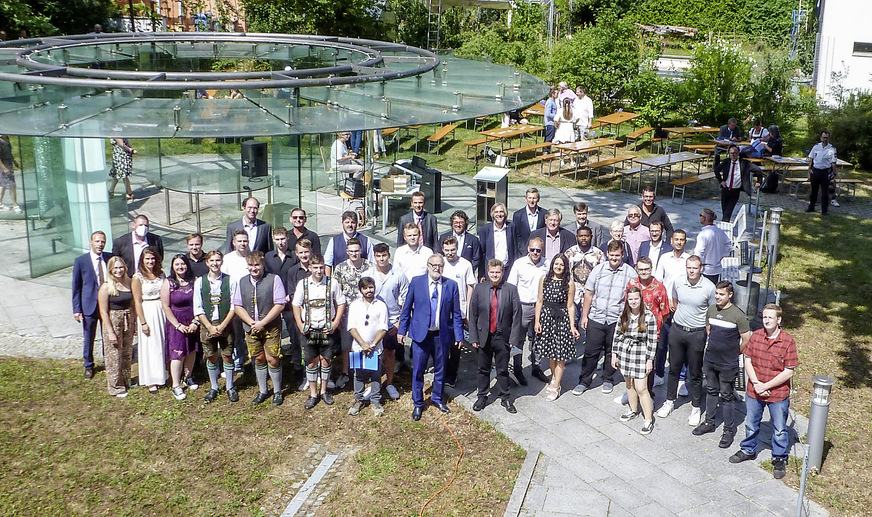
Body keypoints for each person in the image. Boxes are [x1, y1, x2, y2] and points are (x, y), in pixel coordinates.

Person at [729, 304, 797, 480]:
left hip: (778, 394)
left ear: (779, 320)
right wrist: (756, 383)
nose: (766, 320)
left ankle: (779, 458)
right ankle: (748, 449)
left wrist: (766, 386)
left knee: (780, 429)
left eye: (770, 317)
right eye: (764, 317)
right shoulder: (756, 336)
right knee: (751, 423)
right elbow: (747, 359)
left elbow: (789, 371)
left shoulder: (788, 341)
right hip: (754, 390)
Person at [398, 254, 464, 421]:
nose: (437, 268)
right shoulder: (416, 282)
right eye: (433, 265)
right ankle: (418, 403)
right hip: (421, 335)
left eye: (440, 265)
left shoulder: (451, 285)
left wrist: (459, 335)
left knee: (441, 369)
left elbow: (456, 314)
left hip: (441, 335)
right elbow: (406, 309)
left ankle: (437, 399)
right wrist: (401, 331)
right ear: (428, 266)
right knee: (418, 370)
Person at [656, 256, 715, 426]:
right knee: (673, 369)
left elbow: (711, 310)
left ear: (701, 268)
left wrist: (706, 329)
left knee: (695, 373)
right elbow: (675, 300)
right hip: (678, 330)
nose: (691, 271)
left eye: (695, 268)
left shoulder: (709, 287)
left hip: (696, 333)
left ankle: (696, 407)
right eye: (689, 267)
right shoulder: (679, 282)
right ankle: (669, 401)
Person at [694, 281, 752, 449]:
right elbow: (709, 330)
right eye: (716, 294)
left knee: (726, 395)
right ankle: (709, 422)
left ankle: (728, 430)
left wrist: (736, 352)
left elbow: (746, 338)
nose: (718, 297)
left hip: (728, 363)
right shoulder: (711, 310)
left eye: (721, 294)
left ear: (730, 295)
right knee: (711, 391)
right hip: (711, 359)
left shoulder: (738, 315)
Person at [575, 241, 637, 396]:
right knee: (590, 351)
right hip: (597, 317)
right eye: (612, 255)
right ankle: (584, 381)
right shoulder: (598, 270)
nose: (614, 258)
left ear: (622, 254)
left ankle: (608, 378)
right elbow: (589, 293)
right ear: (607, 254)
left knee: (611, 351)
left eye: (617, 255)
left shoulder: (630, 273)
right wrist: (584, 316)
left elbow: (634, 298)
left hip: (616, 319)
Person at [469, 259, 524, 413]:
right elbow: (472, 314)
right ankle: (482, 396)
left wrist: (513, 338)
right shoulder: (480, 288)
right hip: (483, 336)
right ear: (488, 272)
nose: (495, 275)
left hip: (502, 337)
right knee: (483, 369)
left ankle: (505, 398)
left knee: (502, 369)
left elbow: (516, 315)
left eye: (498, 272)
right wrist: (473, 337)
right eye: (492, 272)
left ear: (503, 272)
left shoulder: (511, 289)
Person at [233, 251, 287, 406]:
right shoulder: (242, 281)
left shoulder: (274, 279)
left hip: (270, 326)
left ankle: (277, 391)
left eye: (257, 265)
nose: (254, 268)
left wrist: (263, 322)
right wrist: (251, 322)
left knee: (272, 358)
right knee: (257, 358)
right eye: (251, 265)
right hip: (250, 326)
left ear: (263, 265)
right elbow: (237, 305)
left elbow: (280, 304)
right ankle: (263, 390)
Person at [293, 254, 346, 409]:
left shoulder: (332, 283)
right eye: (315, 267)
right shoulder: (303, 284)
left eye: (321, 267)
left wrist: (335, 323)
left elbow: (341, 302)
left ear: (324, 267)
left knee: (326, 360)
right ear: (309, 268)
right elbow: (296, 305)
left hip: (326, 329)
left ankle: (324, 391)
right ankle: (313, 394)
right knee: (310, 362)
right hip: (309, 329)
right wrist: (300, 323)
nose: (318, 270)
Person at [363, 243, 409, 400]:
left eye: (384, 255)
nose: (381, 258)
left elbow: (406, 300)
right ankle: (372, 384)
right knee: (372, 353)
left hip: (391, 322)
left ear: (389, 255)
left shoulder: (398, 274)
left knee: (389, 353)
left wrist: (399, 322)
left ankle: (389, 383)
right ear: (374, 257)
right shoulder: (368, 273)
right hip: (373, 322)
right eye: (378, 256)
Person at [611, 287, 657, 434]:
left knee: (641, 387)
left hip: (641, 352)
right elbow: (617, 335)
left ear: (641, 299)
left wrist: (650, 359)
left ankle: (648, 419)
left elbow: (652, 341)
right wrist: (614, 354)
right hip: (626, 351)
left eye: (636, 298)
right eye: (630, 299)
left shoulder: (649, 316)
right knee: (629, 384)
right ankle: (633, 409)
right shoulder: (624, 315)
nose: (633, 302)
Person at [193, 250, 238, 403]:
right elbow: (197, 307)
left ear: (222, 262)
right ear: (207, 263)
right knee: (211, 356)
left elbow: (234, 305)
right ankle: (214, 386)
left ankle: (230, 386)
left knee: (227, 355)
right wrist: (209, 327)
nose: (215, 263)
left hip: (226, 323)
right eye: (212, 261)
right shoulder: (200, 282)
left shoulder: (230, 280)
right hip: (208, 324)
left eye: (218, 260)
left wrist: (224, 324)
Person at [535, 255, 580, 401]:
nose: (558, 267)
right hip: (547, 318)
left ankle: (557, 386)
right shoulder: (544, 279)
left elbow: (571, 305)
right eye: (556, 264)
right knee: (550, 353)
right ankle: (554, 377)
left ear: (565, 266)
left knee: (559, 354)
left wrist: (572, 325)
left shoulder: (569, 283)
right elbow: (539, 301)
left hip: (561, 319)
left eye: (561, 264)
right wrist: (537, 321)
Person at [506, 237, 549, 385]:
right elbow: (511, 287)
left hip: (540, 306)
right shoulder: (519, 264)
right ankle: (518, 368)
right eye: (532, 250)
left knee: (539, 337)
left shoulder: (547, 264)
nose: (535, 253)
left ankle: (536, 367)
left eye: (538, 250)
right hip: (523, 306)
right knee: (519, 339)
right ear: (528, 249)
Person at [333, 238, 374, 390]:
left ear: (361, 250)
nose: (354, 253)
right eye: (351, 251)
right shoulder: (340, 268)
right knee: (346, 344)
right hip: (347, 312)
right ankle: (346, 372)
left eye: (356, 250)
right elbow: (336, 293)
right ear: (347, 252)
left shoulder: (369, 266)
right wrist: (337, 314)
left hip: (366, 311)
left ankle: (365, 371)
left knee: (365, 341)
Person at [625, 256, 669, 397]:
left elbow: (665, 312)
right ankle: (631, 392)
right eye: (641, 269)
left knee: (648, 365)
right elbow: (626, 305)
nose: (643, 272)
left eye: (646, 269)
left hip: (651, 333)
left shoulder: (659, 287)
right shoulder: (632, 283)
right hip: (633, 329)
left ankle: (648, 394)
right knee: (631, 360)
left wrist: (657, 327)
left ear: (651, 269)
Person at [72, 231, 112, 379]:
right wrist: (76, 309)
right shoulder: (81, 261)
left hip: (107, 305)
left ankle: (109, 361)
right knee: (89, 336)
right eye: (97, 241)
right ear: (91, 242)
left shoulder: (110, 258)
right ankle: (88, 365)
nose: (100, 244)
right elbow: (76, 287)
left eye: (102, 241)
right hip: (89, 305)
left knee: (107, 335)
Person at [653, 229, 690, 387]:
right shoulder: (664, 258)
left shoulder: (688, 260)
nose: (679, 242)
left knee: (682, 345)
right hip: (665, 305)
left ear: (685, 242)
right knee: (662, 344)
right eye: (676, 239)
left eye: (682, 239)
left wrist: (679, 301)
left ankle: (681, 379)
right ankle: (659, 374)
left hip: (682, 306)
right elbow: (658, 281)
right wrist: (667, 299)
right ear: (671, 240)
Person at [161, 255, 201, 401]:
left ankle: (188, 377)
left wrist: (195, 322)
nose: (180, 267)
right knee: (178, 353)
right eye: (177, 264)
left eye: (182, 264)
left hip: (192, 320)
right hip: (176, 323)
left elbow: (200, 302)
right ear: (172, 267)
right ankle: (176, 385)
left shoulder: (195, 281)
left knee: (191, 350)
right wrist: (177, 325)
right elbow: (165, 306)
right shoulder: (168, 283)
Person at [347, 277, 389, 416]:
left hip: (375, 349)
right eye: (365, 288)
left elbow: (383, 328)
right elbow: (352, 327)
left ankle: (375, 401)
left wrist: (371, 345)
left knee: (376, 375)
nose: (369, 290)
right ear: (361, 290)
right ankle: (358, 400)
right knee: (359, 375)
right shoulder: (354, 305)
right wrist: (363, 344)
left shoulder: (381, 305)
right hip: (359, 347)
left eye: (371, 287)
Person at [441, 236, 477, 386]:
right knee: (442, 345)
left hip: (459, 311)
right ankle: (441, 372)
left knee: (456, 346)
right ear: (443, 249)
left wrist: (468, 310)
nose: (450, 253)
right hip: (441, 312)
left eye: (453, 250)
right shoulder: (440, 263)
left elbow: (470, 287)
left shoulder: (465, 265)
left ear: (457, 249)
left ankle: (452, 375)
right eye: (447, 250)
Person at [97, 256, 135, 398]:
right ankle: (114, 385)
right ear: (111, 270)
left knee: (126, 351)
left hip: (128, 319)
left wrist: (134, 322)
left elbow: (132, 303)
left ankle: (125, 380)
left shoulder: (129, 282)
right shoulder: (106, 286)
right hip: (113, 320)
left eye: (121, 267)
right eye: (115, 268)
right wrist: (110, 331)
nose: (118, 270)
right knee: (114, 354)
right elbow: (103, 311)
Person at [132, 247, 166, 393]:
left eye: (152, 258)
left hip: (161, 309)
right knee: (151, 345)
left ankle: (164, 373)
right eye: (147, 259)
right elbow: (137, 301)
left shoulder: (161, 274)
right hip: (148, 310)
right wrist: (143, 322)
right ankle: (152, 379)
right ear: (142, 260)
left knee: (162, 343)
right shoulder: (137, 277)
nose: (150, 261)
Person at [221, 230, 253, 371]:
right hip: (234, 303)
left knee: (252, 333)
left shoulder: (253, 257)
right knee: (236, 334)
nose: (242, 243)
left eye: (245, 241)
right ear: (234, 243)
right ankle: (239, 361)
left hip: (251, 302)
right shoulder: (227, 259)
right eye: (239, 241)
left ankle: (255, 361)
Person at [287, 238, 315, 390]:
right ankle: (305, 375)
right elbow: (292, 294)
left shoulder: (317, 268)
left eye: (307, 252)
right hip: (301, 315)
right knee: (301, 345)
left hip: (318, 314)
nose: (304, 255)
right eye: (301, 252)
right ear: (297, 254)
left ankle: (319, 375)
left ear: (311, 252)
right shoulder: (292, 271)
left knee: (318, 345)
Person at [714, 145, 763, 222]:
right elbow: (716, 170)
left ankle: (724, 225)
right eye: (731, 153)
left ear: (738, 153)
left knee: (728, 211)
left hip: (735, 191)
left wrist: (759, 181)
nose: (733, 155)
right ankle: (725, 224)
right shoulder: (726, 162)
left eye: (735, 153)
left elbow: (758, 170)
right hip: (725, 189)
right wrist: (721, 181)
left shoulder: (745, 163)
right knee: (725, 210)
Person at [439, 210, 483, 277]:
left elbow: (476, 258)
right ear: (452, 223)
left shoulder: (473, 240)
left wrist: (466, 270)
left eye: (461, 222)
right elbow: (439, 254)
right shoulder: (443, 237)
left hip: (466, 274)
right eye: (456, 222)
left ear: (465, 223)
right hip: (447, 274)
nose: (458, 225)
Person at [694, 208, 732, 284]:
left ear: (704, 218)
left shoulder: (703, 235)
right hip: (717, 268)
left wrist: (699, 263)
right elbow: (728, 244)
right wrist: (721, 255)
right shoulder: (720, 232)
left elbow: (698, 252)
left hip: (706, 269)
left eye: (700, 215)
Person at [479, 203, 516, 276]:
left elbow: (515, 249)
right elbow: (482, 253)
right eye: (496, 212)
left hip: (508, 269)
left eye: (501, 212)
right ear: (493, 214)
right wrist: (482, 274)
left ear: (505, 214)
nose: (499, 214)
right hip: (492, 270)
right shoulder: (485, 229)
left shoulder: (512, 227)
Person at [806, 130, 838, 215]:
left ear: (828, 138)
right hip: (816, 170)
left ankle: (824, 210)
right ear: (820, 138)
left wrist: (834, 173)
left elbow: (833, 162)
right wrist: (809, 168)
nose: (825, 139)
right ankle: (811, 207)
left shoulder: (832, 149)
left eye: (826, 138)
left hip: (825, 172)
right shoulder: (816, 147)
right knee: (813, 191)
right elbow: (811, 158)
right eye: (823, 137)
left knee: (825, 193)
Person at [512, 188, 546, 260]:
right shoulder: (518, 215)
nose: (532, 200)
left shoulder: (544, 214)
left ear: (538, 199)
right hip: (523, 253)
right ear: (526, 199)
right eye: (529, 198)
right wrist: (524, 251)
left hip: (539, 252)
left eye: (534, 198)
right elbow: (517, 236)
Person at [553, 98, 580, 165]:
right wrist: (573, 122)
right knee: (570, 145)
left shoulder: (560, 110)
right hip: (570, 127)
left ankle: (562, 160)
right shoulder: (573, 110)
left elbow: (556, 120)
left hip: (562, 126)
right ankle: (572, 161)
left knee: (561, 145)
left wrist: (556, 125)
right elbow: (578, 118)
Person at [0, 134, 22, 212]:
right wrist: (4, 168)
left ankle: (0, 204)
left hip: (8, 164)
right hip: (4, 166)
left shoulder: (6, 139)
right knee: (12, 184)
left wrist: (14, 161)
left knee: (3, 185)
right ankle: (15, 204)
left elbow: (9, 152)